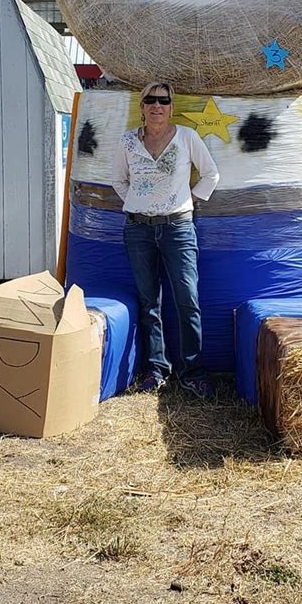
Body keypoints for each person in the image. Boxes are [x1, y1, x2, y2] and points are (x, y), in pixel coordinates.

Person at [111, 80, 219, 396]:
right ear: (142, 107)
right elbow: (118, 179)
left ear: (171, 107)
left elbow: (211, 173)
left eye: (163, 101)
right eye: (151, 100)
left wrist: (189, 198)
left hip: (178, 229)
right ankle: (156, 369)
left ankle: (192, 371)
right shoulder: (128, 141)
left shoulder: (186, 137)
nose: (157, 106)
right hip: (138, 230)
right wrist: (138, 201)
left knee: (187, 299)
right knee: (149, 302)